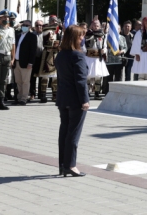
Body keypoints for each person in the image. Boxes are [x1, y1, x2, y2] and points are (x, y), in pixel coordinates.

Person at [54, 24, 89, 178]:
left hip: (63, 97)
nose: (83, 39)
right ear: (75, 37)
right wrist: (85, 100)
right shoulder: (78, 56)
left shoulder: (61, 55)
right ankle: (71, 165)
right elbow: (80, 81)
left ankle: (63, 165)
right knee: (73, 134)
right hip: (75, 100)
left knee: (64, 132)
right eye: (81, 36)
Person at [13, 19, 38, 105]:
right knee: (18, 81)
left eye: (27, 25)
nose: (24, 27)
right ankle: (19, 97)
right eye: (23, 25)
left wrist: (30, 63)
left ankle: (24, 98)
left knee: (25, 81)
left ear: (30, 27)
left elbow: (33, 51)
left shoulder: (32, 36)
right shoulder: (18, 35)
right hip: (16, 61)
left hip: (26, 63)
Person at [37, 17, 62, 103]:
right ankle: (43, 95)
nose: (54, 22)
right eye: (52, 21)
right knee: (45, 75)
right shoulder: (46, 29)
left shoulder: (60, 31)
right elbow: (46, 41)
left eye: (55, 21)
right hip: (48, 54)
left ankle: (55, 95)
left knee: (55, 77)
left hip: (56, 54)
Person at [84, 18, 109, 99]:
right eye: (94, 25)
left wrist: (104, 50)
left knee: (98, 76)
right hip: (89, 57)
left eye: (97, 25)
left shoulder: (103, 35)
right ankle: (87, 92)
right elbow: (83, 46)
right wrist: (85, 51)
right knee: (88, 76)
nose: (96, 26)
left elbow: (105, 46)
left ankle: (97, 92)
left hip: (98, 58)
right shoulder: (87, 34)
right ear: (91, 25)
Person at [130, 16, 147, 81]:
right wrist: (137, 54)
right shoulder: (140, 33)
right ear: (144, 23)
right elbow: (136, 44)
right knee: (142, 72)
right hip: (143, 55)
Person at [103, 26, 127, 95]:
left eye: (118, 28)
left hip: (119, 61)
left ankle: (118, 92)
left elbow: (125, 48)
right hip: (109, 61)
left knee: (118, 78)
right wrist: (113, 51)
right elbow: (104, 47)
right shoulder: (108, 37)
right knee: (109, 78)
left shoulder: (122, 38)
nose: (116, 30)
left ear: (120, 30)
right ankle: (108, 92)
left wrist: (122, 51)